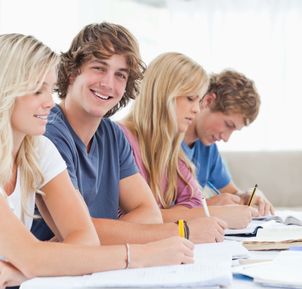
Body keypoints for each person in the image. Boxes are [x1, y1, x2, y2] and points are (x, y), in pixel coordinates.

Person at [0, 33, 193, 289]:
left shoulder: (38, 150)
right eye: (37, 90)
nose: (49, 101)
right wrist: (140, 255)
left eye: (49, 88)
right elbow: (34, 256)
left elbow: (84, 236)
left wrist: (21, 270)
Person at [32, 22, 224, 244]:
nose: (108, 83)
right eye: (99, 68)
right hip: (51, 273)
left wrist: (102, 233)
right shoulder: (49, 132)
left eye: (120, 75)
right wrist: (181, 232)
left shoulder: (113, 135)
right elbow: (79, 232)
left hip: (102, 264)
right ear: (73, 72)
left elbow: (150, 213)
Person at [119, 52, 256, 229]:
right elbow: (142, 217)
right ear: (164, 94)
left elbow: (193, 202)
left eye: (197, 101)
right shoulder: (120, 138)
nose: (197, 110)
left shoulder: (171, 149)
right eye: (191, 99)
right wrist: (210, 211)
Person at [182, 69, 274, 215]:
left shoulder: (208, 149)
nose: (226, 138)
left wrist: (247, 195)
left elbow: (233, 193)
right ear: (208, 101)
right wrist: (209, 206)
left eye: (234, 130)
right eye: (228, 125)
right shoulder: (167, 143)